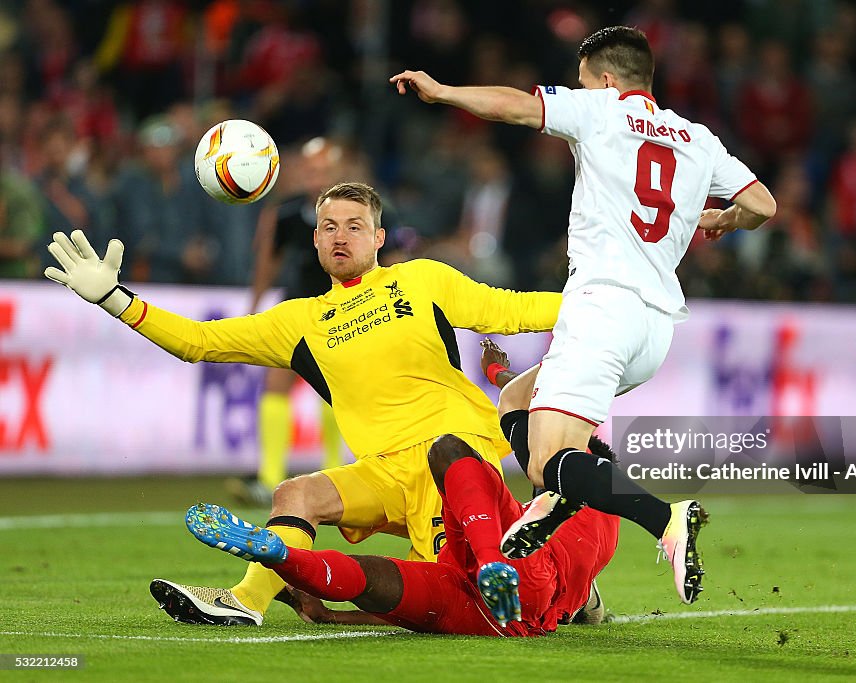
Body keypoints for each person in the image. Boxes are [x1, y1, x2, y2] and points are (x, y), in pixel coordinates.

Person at [43, 181, 560, 626]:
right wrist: (115, 298)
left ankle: (567, 585)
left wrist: (608, 305)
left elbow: (511, 310)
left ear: (379, 238)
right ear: (314, 240)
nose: (341, 235)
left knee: (462, 598)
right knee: (296, 494)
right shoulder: (299, 321)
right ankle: (243, 602)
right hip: (381, 470)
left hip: (450, 462)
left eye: (356, 225)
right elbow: (197, 341)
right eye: (329, 226)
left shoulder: (422, 279)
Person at [391, 25, 777, 603]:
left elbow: (516, 107)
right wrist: (724, 221)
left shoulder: (602, 110)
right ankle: (560, 497)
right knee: (516, 400)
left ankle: (662, 519)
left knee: (549, 461)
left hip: (602, 308)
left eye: (581, 80)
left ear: (604, 79)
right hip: (654, 329)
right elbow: (763, 205)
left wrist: (444, 91)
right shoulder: (698, 139)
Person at [183, 429, 619, 636]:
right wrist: (332, 616)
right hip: (493, 614)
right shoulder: (597, 538)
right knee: (372, 578)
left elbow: (529, 424)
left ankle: (281, 554)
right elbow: (412, 620)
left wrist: (499, 374)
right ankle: (282, 557)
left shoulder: (582, 496)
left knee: (449, 452)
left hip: (504, 566)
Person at [227, 138, 384, 507]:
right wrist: (254, 305)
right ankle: (269, 476)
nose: (317, 177)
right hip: (296, 308)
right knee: (276, 382)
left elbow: (386, 263)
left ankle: (333, 469)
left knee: (334, 390)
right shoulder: (284, 214)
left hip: (345, 308)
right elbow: (267, 262)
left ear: (338, 172)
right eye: (311, 170)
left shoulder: (364, 212)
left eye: (324, 170)